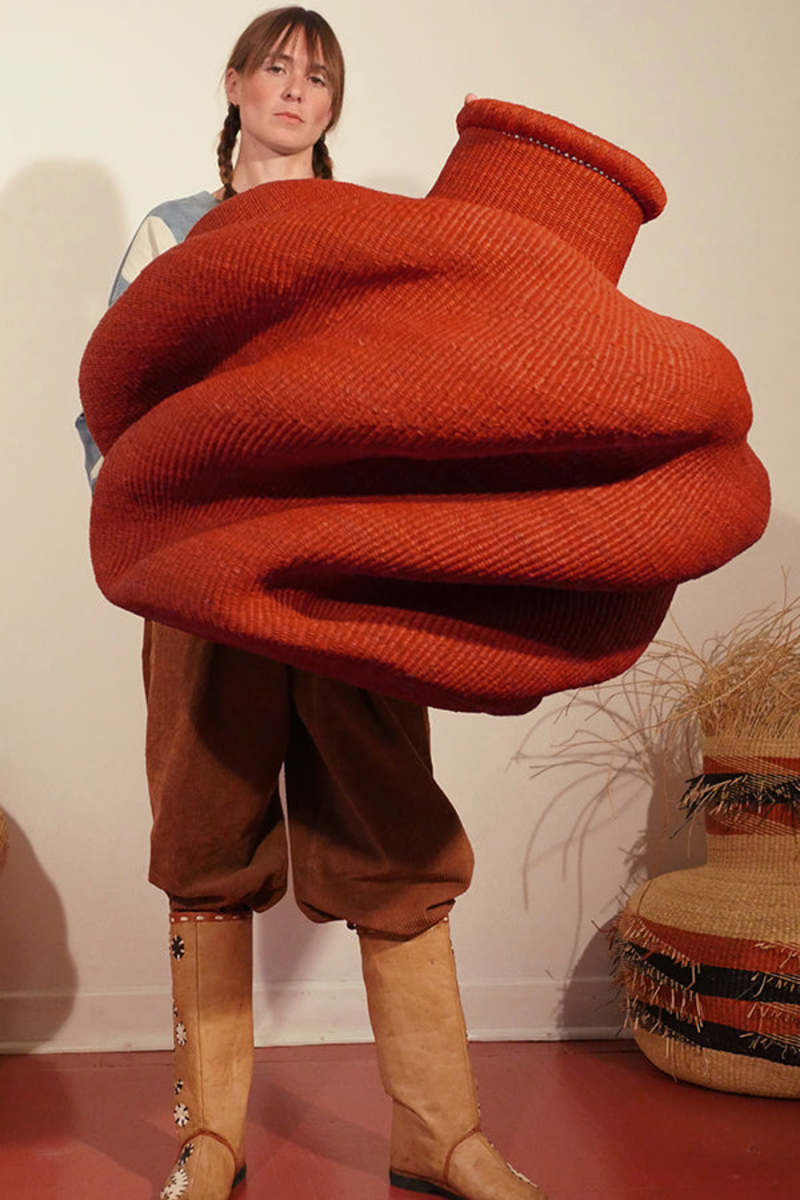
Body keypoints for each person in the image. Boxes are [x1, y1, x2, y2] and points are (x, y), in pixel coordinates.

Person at [77, 9, 544, 1200]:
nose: (295, 88)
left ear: (334, 104)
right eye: (276, 66)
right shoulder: (171, 233)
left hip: (344, 582)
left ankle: (440, 1135)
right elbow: (113, 409)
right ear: (234, 83)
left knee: (392, 831)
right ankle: (207, 1137)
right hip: (203, 580)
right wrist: (155, 539)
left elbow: (417, 392)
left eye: (318, 75)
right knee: (204, 838)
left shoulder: (372, 233)